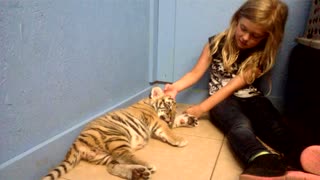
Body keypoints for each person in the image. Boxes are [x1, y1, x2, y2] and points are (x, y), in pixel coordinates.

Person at [163, 0, 320, 179]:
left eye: (255, 35)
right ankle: (261, 159)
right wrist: (175, 87)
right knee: (240, 126)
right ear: (237, 19)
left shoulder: (261, 53)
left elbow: (232, 86)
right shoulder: (215, 43)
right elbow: (194, 73)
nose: (245, 37)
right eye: (243, 28)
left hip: (252, 98)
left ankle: (302, 157)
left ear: (266, 37)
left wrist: (200, 109)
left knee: (275, 125)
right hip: (221, 101)